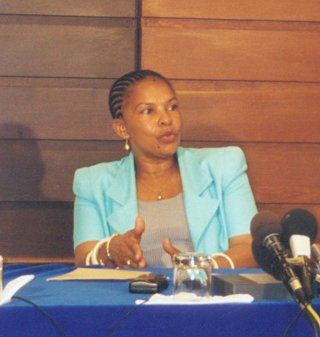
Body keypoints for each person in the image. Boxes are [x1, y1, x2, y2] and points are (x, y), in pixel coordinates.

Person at [73, 69, 258, 269]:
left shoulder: (223, 166)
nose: (166, 119)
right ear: (122, 128)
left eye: (172, 107)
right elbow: (84, 257)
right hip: (128, 297)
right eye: (148, 111)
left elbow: (249, 248)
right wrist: (109, 250)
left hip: (206, 296)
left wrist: (201, 268)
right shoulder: (92, 182)